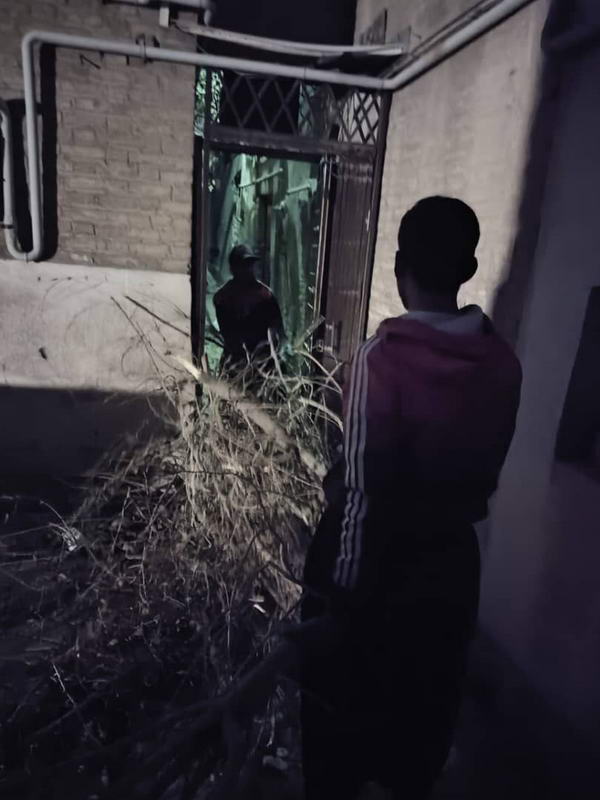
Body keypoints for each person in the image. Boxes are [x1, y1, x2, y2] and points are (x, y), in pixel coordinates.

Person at [219, 198, 522, 800]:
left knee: (337, 738)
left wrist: (340, 603)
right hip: (449, 572)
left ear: (399, 267)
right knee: (418, 733)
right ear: (468, 270)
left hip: (371, 568)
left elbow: (363, 496)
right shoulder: (504, 365)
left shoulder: (380, 360)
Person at [214, 244, 284, 369]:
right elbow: (228, 335)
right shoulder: (222, 298)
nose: (247, 269)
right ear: (233, 269)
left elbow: (277, 331)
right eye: (242, 265)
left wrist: (270, 349)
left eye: (249, 264)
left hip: (263, 363)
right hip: (235, 364)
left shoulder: (266, 296)